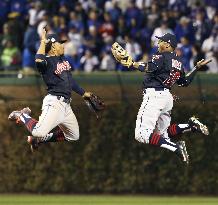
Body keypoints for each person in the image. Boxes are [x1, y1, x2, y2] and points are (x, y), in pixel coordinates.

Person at [111, 33, 211, 164]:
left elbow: (150, 67)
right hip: (166, 98)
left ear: (168, 45)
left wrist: (132, 63)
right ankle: (191, 126)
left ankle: (176, 148)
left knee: (141, 134)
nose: (158, 44)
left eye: (161, 41)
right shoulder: (179, 62)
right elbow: (184, 82)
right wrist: (196, 68)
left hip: (154, 96)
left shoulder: (161, 56)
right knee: (162, 135)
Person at [8, 28, 93, 152]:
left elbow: (70, 81)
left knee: (73, 136)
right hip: (54, 103)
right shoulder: (46, 61)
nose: (63, 45)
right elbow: (38, 60)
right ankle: (22, 115)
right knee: (38, 131)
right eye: (60, 43)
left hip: (66, 105)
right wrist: (43, 41)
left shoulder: (63, 60)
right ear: (53, 46)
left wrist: (83, 93)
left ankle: (39, 140)